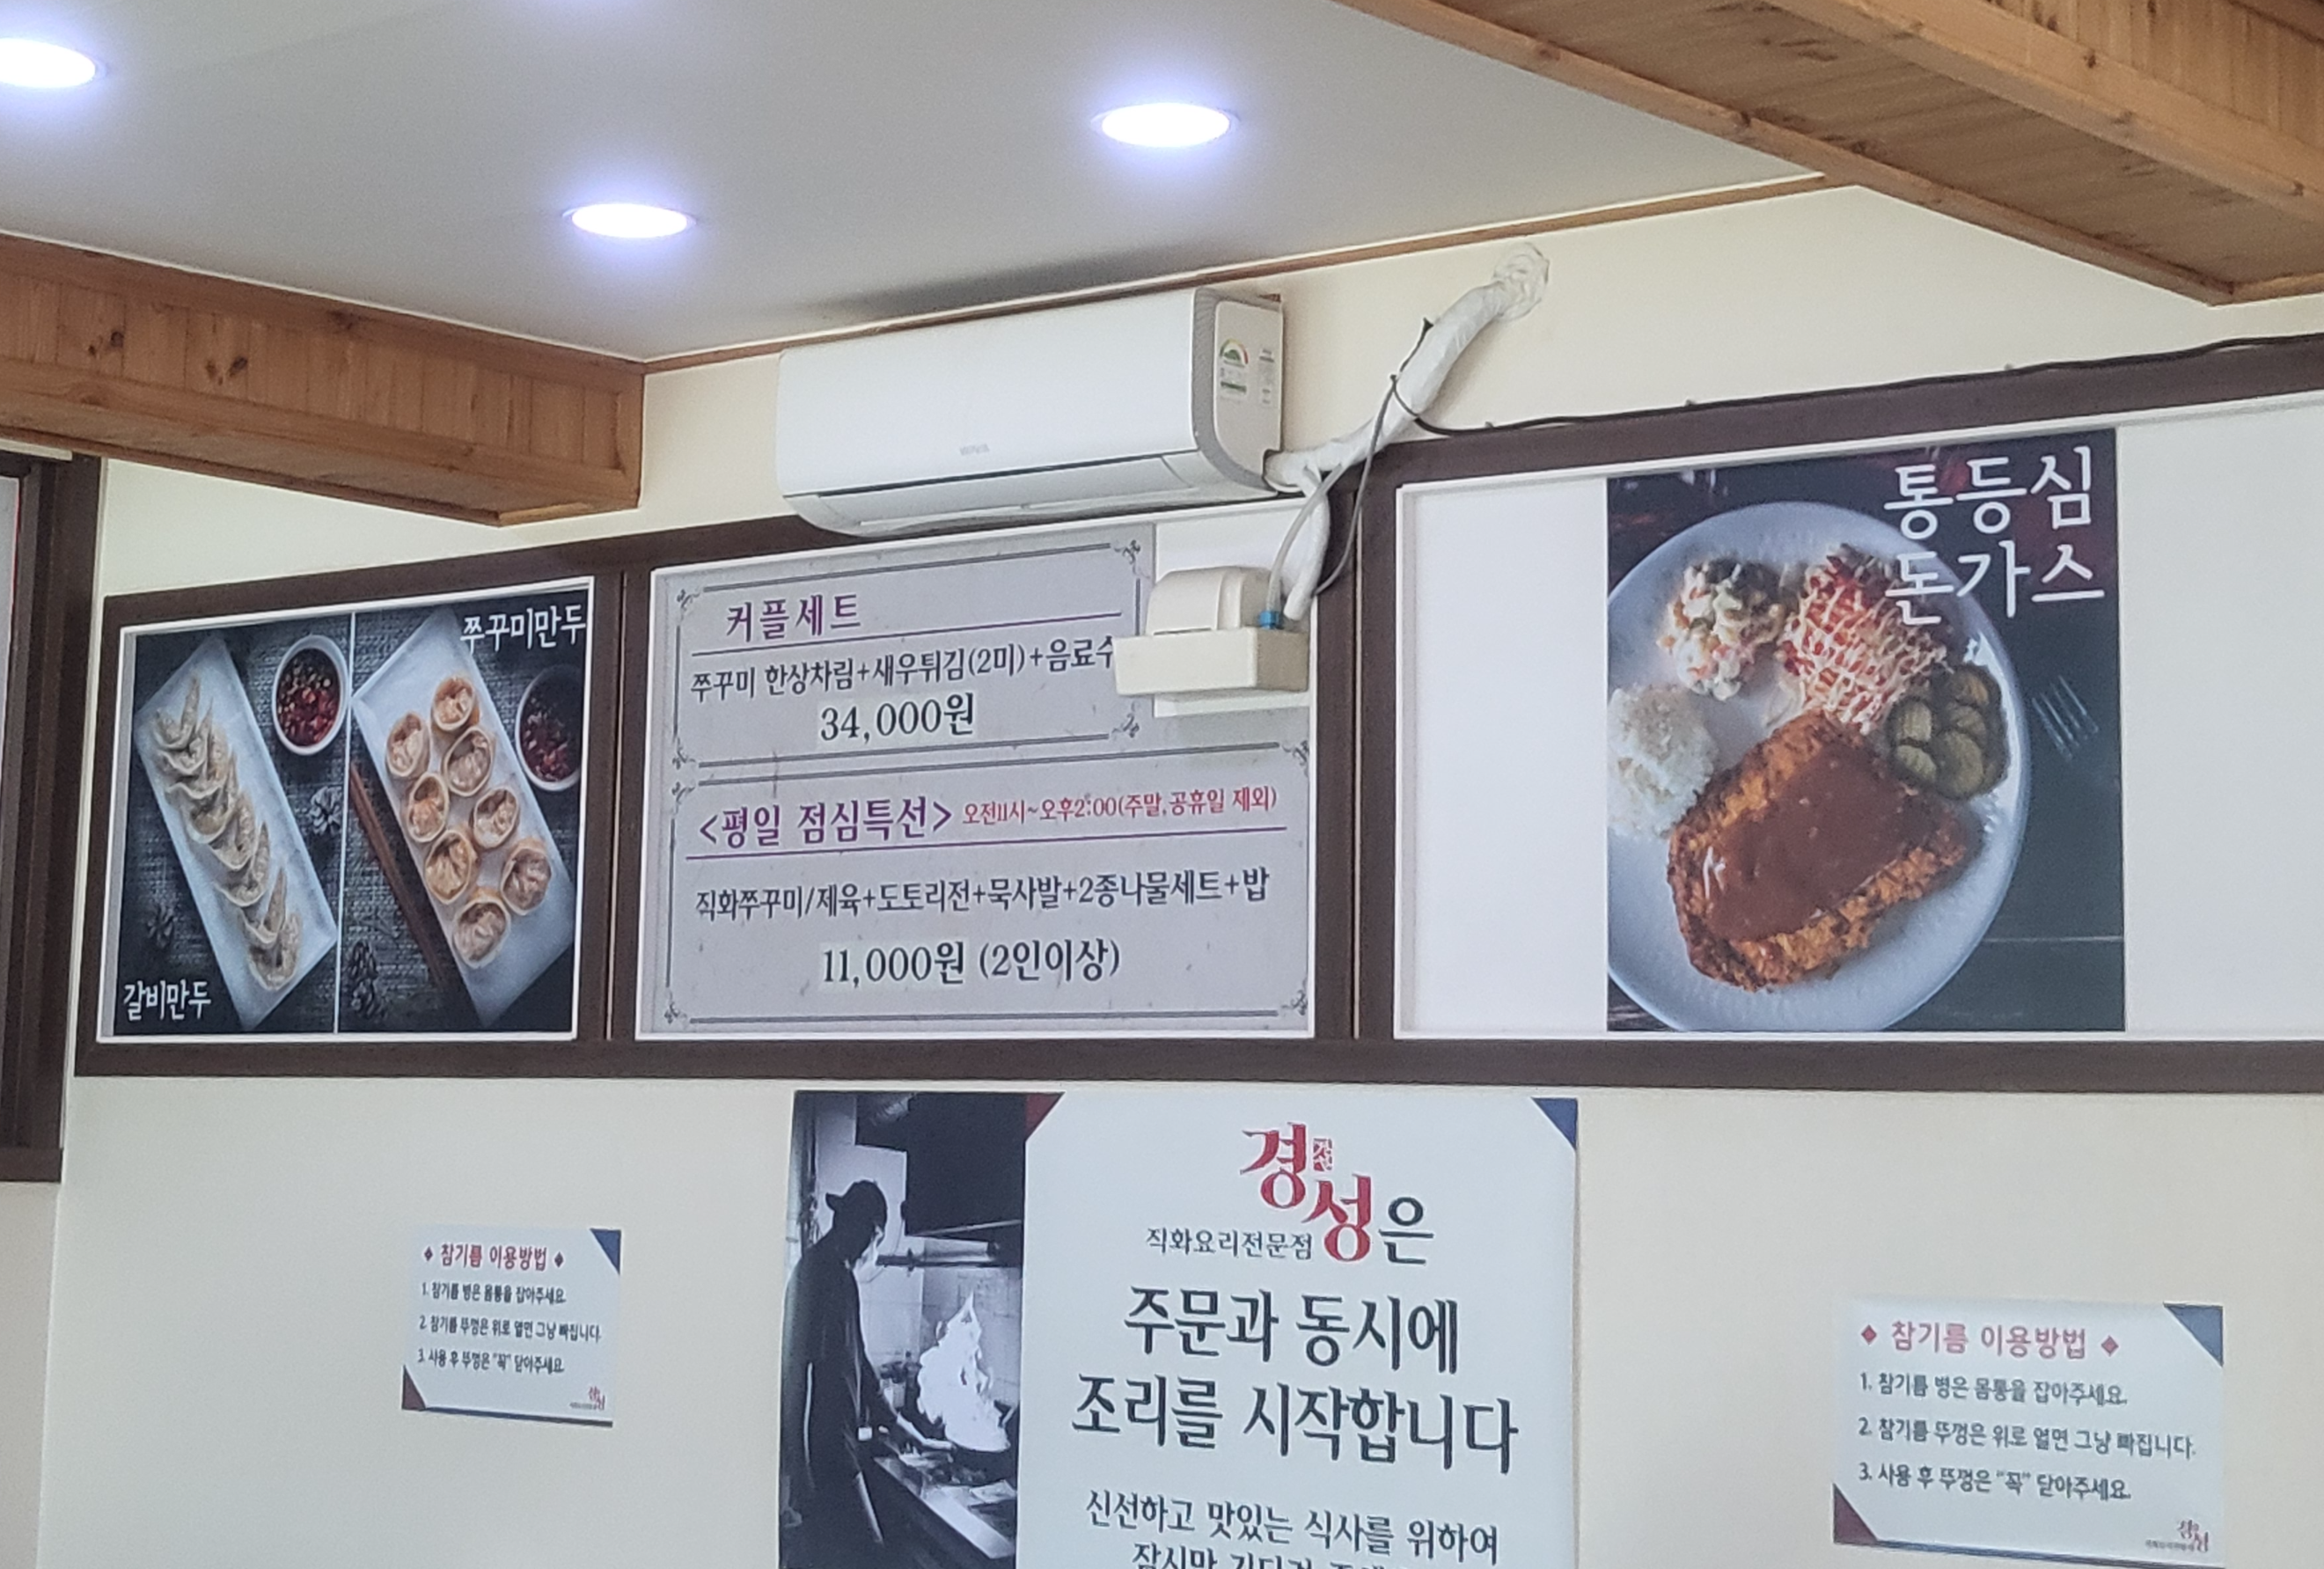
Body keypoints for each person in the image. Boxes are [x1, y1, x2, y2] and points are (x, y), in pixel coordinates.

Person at [781, 1180, 941, 1568]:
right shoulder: (818, 1274)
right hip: (827, 1453)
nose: (874, 1249)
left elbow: (861, 1364)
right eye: (877, 1239)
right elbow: (794, 1376)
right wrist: (799, 1470)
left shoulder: (839, 1275)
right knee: (868, 1553)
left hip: (838, 1448)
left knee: (848, 1556)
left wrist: (899, 1424)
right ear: (871, 1232)